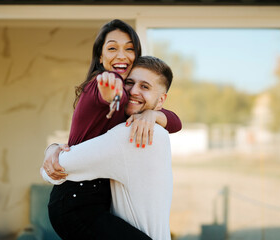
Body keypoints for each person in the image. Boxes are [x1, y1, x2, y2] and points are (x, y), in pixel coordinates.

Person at [41, 20, 181, 239]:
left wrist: (153, 114)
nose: (121, 55)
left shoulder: (139, 120)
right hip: (76, 203)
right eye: (112, 48)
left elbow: (176, 122)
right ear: (100, 57)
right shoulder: (104, 83)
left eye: (129, 49)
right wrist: (112, 91)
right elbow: (109, 90)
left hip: (94, 201)